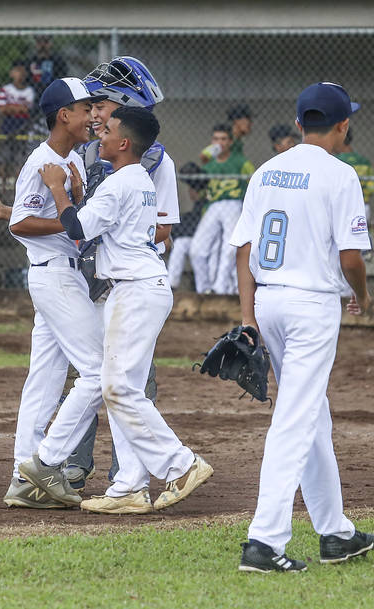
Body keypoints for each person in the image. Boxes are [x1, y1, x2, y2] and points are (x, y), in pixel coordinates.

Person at [29, 106, 213, 514]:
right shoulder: (136, 179)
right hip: (139, 289)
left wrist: (58, 188)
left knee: (117, 388)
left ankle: (181, 465)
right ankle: (128, 486)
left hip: (135, 291)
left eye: (108, 129)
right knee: (122, 390)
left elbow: (77, 230)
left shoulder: (119, 184)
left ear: (124, 143)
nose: (100, 133)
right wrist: (77, 195)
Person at [231, 82, 374, 572]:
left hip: (268, 302)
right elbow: (350, 256)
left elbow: (244, 249)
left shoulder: (267, 170)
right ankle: (264, 541)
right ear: (343, 125)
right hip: (312, 306)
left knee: (314, 417)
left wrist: (248, 317)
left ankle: (335, 533)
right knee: (296, 418)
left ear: (297, 124)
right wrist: (363, 295)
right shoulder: (341, 175)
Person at [0, 77, 108, 509]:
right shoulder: (42, 162)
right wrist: (71, 219)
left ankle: (23, 475)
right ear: (64, 115)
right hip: (53, 276)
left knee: (43, 381)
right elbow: (19, 223)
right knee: (96, 373)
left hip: (63, 275)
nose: (92, 117)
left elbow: (73, 216)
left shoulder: (72, 161)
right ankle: (46, 463)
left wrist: (75, 196)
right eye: (85, 110)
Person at [189, 123, 255, 294]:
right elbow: (197, 197)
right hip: (212, 206)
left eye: (224, 139)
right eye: (216, 139)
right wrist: (193, 183)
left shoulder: (241, 162)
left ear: (231, 142)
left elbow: (254, 185)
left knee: (229, 248)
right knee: (196, 250)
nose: (220, 143)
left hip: (234, 204)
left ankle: (221, 289)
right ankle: (204, 290)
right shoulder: (208, 166)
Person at [166, 161, 208, 289]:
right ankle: (171, 285)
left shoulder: (207, 202)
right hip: (196, 240)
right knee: (180, 243)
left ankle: (204, 291)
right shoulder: (198, 205)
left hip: (210, 240)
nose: (190, 192)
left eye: (191, 188)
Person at [0, 60, 35, 179]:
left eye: (23, 72)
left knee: (19, 158)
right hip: (7, 126)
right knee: (4, 157)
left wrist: (11, 107)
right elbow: (2, 109)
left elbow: (26, 109)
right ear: (11, 73)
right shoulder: (6, 89)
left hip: (22, 126)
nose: (20, 75)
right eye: (17, 71)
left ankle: (17, 183)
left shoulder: (29, 91)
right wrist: (18, 108)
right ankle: (3, 184)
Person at [335, 127, 374, 220]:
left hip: (341, 207)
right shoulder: (364, 161)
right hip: (362, 205)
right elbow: (372, 188)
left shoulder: (335, 160)